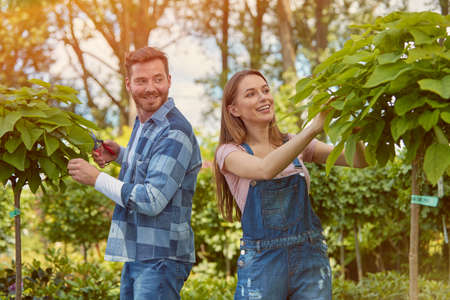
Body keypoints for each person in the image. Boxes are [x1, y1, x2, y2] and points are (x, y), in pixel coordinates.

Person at [214, 70, 367, 299]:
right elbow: (264, 170)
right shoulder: (229, 152)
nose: (263, 97)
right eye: (251, 94)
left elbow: (358, 160)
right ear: (233, 109)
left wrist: (354, 126)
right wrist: (313, 128)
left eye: (265, 90)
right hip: (263, 262)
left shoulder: (293, 143)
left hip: (310, 256)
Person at [67, 46, 202, 300]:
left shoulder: (175, 130)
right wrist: (119, 154)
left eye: (158, 79)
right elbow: (152, 163)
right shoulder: (146, 123)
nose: (151, 87)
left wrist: (95, 178)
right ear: (129, 84)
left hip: (160, 256)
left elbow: (152, 199)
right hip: (140, 250)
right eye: (142, 80)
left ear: (169, 81)